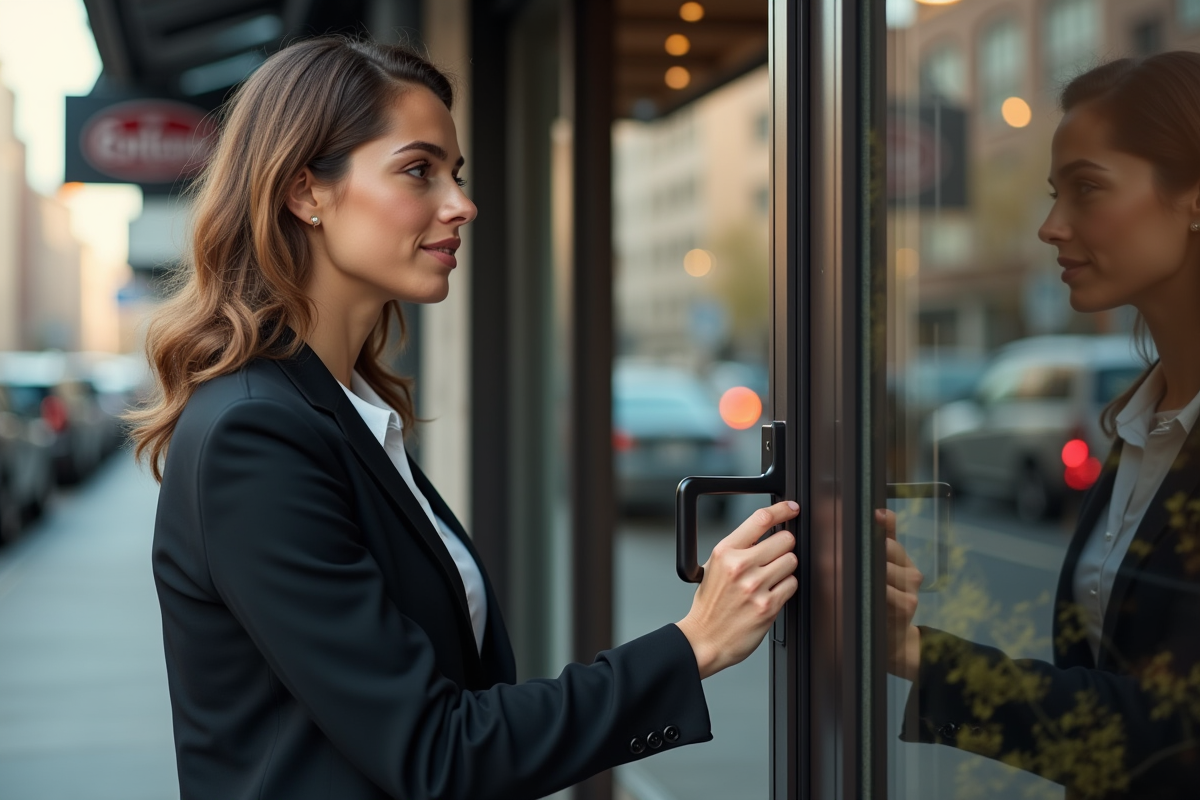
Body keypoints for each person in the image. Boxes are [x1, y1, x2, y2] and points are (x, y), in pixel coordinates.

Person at [130, 37, 800, 800]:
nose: (461, 204)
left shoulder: (341, 412)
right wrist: (694, 644)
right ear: (304, 192)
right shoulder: (258, 435)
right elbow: (435, 750)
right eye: (418, 171)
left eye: (456, 174)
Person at [885, 51, 1200, 798]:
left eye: (1088, 189)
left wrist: (917, 654)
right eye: (1056, 194)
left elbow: (1175, 737)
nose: (1051, 227)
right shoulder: (1141, 425)